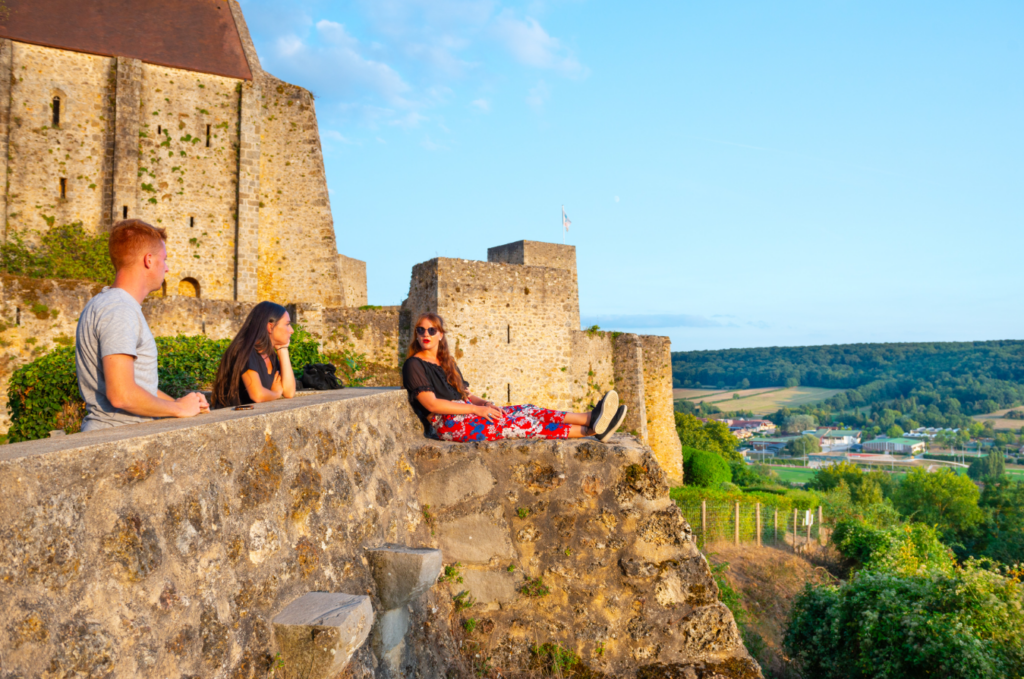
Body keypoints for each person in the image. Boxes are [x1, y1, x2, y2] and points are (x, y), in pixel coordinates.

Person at [402, 312, 627, 443]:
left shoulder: (447, 363)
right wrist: (476, 410)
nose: (425, 335)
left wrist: (483, 404)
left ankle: (590, 418)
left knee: (529, 410)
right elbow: (431, 403)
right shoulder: (414, 364)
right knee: (522, 423)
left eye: (431, 330)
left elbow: (466, 394)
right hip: (448, 424)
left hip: (466, 413)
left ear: (440, 335)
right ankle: (589, 431)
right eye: (420, 330)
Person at [75, 219, 209, 431]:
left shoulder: (109, 303)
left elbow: (139, 387)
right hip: (116, 440)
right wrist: (179, 410)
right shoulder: (119, 309)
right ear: (148, 260)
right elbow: (122, 394)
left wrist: (178, 404)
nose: (167, 268)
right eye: (164, 259)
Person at [211, 301, 297, 408]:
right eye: (287, 324)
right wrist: (276, 393)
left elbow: (289, 392)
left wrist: (283, 350)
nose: (291, 330)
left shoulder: (269, 355)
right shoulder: (245, 351)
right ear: (270, 327)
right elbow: (257, 395)